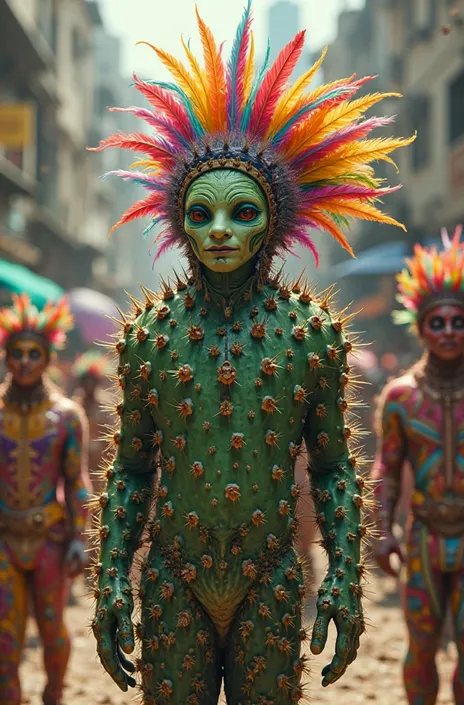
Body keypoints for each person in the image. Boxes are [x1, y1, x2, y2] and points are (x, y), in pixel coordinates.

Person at [89, 4, 413, 702]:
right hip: (174, 575)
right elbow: (132, 469)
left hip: (270, 576)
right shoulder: (150, 338)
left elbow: (331, 470)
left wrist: (344, 583)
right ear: (179, 218)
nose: (221, 233)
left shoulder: (311, 335)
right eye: (202, 213)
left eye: (243, 212)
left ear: (274, 219)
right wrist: (113, 574)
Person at [373, 225, 464, 705]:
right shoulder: (401, 399)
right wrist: (384, 531)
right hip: (425, 538)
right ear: (421, 327)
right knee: (422, 647)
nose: (450, 332)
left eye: (460, 322)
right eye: (439, 322)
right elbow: (386, 470)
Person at [0, 293, 90, 705]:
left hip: (49, 541)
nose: (23, 362)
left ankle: (54, 695)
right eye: (16, 353)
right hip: (3, 541)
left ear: (47, 358)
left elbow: (76, 482)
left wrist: (78, 538)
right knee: (4, 639)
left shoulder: (67, 416)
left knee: (52, 630)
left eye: (32, 354)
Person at [72, 351, 112, 494]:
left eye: (92, 380)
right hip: (79, 463)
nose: (89, 384)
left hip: (100, 463)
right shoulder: (74, 406)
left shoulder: (106, 406)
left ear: (97, 381)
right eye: (85, 380)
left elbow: (111, 437)